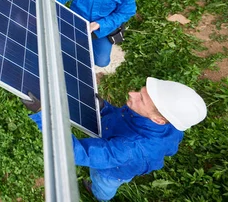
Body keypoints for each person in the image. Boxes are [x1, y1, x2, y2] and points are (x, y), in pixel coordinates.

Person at [26, 78, 207, 201]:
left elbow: (74, 152)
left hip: (113, 172)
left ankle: (99, 195)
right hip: (124, 147)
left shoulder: (130, 149)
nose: (131, 93)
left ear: (158, 120)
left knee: (103, 184)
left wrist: (45, 116)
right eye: (140, 91)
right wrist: (104, 108)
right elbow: (122, 118)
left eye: (141, 99)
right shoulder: (170, 122)